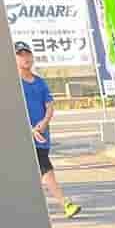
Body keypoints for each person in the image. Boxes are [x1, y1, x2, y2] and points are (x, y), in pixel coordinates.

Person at [15, 41, 80, 218]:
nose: (26, 58)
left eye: (27, 54)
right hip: (24, 135)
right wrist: (29, 129)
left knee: (41, 169)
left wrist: (43, 123)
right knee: (45, 169)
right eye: (20, 55)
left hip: (42, 134)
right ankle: (65, 203)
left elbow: (49, 105)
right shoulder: (14, 83)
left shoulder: (40, 82)